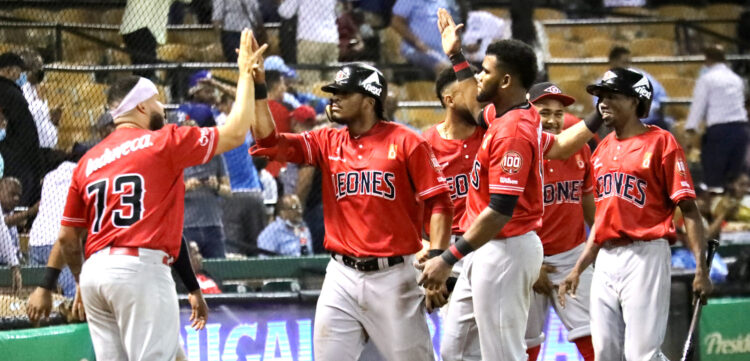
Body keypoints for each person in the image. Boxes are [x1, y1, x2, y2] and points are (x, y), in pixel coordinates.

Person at [54, 30, 266, 360]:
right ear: (140, 106)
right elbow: (237, 131)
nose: (163, 108)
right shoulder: (163, 141)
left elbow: (68, 237)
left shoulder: (88, 160)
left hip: (95, 275)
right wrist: (244, 75)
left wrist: (81, 280)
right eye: (156, 101)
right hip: (140, 270)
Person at [418, 10, 603, 361]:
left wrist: (448, 258)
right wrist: (455, 56)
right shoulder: (506, 116)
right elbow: (475, 106)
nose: (478, 76)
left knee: (503, 355)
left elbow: (501, 209)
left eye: (485, 71)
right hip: (486, 248)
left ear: (504, 82)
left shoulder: (514, 132)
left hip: (505, 248)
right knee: (454, 349)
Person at [249, 61, 454, 360]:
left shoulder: (407, 141)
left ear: (369, 100)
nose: (335, 98)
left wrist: (438, 257)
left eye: (345, 93)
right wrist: (258, 89)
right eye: (335, 92)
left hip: (394, 276)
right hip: (341, 276)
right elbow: (269, 142)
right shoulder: (327, 140)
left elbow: (440, 202)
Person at [559, 67, 712, 360]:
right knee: (605, 352)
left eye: (612, 95)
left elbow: (689, 210)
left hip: (646, 254)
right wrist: (578, 268)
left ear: (636, 101)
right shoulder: (601, 149)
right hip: (605, 258)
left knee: (641, 353)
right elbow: (603, 220)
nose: (602, 102)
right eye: (600, 96)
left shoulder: (661, 142)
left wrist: (701, 269)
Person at [523, 82, 595, 361]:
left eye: (558, 112)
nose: (552, 120)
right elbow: (499, 214)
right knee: (524, 345)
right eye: (544, 112)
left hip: (571, 257)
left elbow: (592, 211)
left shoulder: (578, 149)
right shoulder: (515, 151)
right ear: (528, 113)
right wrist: (529, 264)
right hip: (527, 258)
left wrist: (595, 253)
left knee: (595, 340)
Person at [26, 145, 89, 299]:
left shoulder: (50, 177)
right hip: (59, 240)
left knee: (39, 294)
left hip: (36, 240)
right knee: (74, 294)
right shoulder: (83, 174)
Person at [685, 45, 749, 194]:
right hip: (742, 130)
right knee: (735, 178)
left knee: (714, 178)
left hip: (720, 131)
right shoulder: (737, 79)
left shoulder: (707, 78)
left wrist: (691, 127)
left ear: (707, 59)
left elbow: (699, 104)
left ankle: (713, 210)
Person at [213, 93, 267, 256]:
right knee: (258, 246)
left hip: (230, 196)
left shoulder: (216, 128)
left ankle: (240, 281)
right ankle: (261, 281)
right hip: (253, 193)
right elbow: (248, 98)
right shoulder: (244, 127)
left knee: (234, 250)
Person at [182, 117, 231, 259]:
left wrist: (216, 186)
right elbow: (165, 193)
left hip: (213, 226)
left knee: (218, 270)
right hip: (187, 226)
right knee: (189, 273)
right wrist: (186, 187)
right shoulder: (176, 157)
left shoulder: (215, 155)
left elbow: (228, 192)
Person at [0, 52, 44, 206]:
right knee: (18, 200)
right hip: (17, 160)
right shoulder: (13, 95)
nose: (21, 75)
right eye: (19, 70)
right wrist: (38, 167)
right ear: (9, 70)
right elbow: (28, 134)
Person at [598, 46, 669, 129]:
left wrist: (652, 108)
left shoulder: (641, 77)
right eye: (624, 62)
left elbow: (661, 96)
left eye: (629, 62)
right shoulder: (602, 82)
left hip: (650, 121)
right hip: (618, 124)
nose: (627, 66)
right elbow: (600, 107)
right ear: (613, 62)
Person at [278, 0, 339, 84]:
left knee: (311, 84)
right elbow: (339, 12)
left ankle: (315, 97)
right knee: (330, 81)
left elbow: (286, 12)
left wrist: (281, 3)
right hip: (331, 39)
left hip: (309, 39)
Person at [391, 0, 459, 74]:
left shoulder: (443, 2)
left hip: (442, 51)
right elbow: (396, 22)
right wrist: (417, 42)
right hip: (417, 50)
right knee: (444, 69)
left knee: (464, 69)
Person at [120, 0, 176, 78]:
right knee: (145, 70)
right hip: (141, 28)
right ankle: (143, 85)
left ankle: (142, 84)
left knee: (143, 68)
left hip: (133, 27)